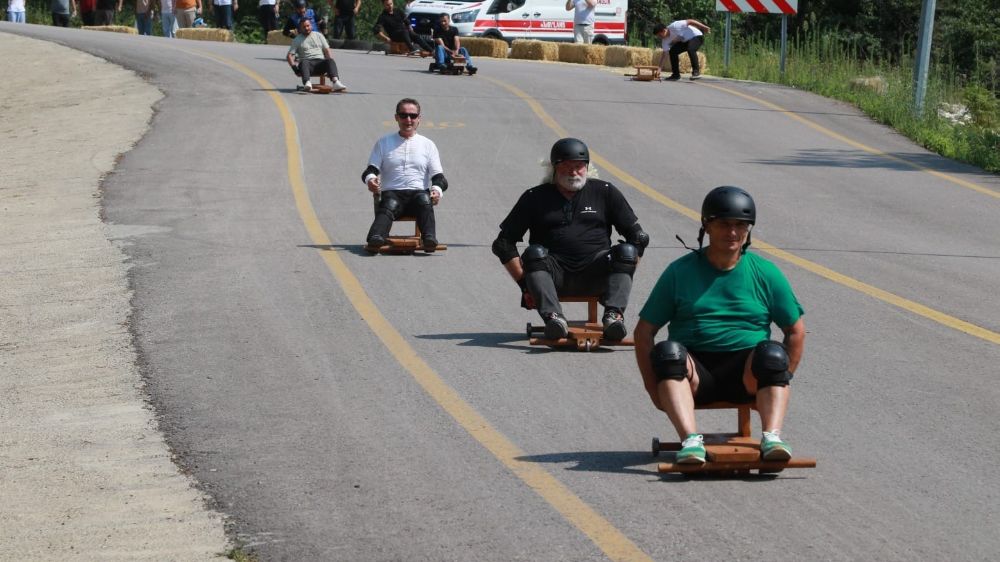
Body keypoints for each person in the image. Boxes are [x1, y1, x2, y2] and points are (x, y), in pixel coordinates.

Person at [634, 186, 805, 464]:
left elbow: (795, 331)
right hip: (696, 374)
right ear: (707, 226)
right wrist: (652, 388)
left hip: (748, 373)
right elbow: (644, 333)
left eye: (741, 225)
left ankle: (772, 437)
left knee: (773, 356)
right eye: (724, 224)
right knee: (668, 353)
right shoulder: (680, 272)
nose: (733, 232)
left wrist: (782, 379)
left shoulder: (766, 273)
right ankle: (690, 441)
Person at [491, 138, 649, 341]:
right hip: (553, 277)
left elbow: (639, 238)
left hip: (597, 275)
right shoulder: (534, 197)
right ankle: (554, 319)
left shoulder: (605, 192)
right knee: (534, 254)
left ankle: (614, 316)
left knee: (628, 250)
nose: (573, 172)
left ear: (587, 167)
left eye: (579, 167)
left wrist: (624, 277)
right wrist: (525, 285)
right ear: (554, 168)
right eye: (566, 167)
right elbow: (503, 244)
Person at [362, 98, 448, 252]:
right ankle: (376, 238)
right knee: (390, 204)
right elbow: (370, 171)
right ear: (396, 118)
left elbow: (440, 178)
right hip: (393, 194)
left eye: (413, 116)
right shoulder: (384, 142)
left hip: (418, 196)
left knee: (424, 199)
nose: (408, 120)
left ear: (419, 119)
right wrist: (371, 180)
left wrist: (437, 190)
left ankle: (429, 238)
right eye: (403, 115)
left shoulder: (428, 145)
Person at [286, 18, 347, 92]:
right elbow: (289, 56)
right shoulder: (297, 39)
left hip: (320, 63)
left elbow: (327, 50)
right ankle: (307, 83)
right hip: (307, 65)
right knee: (304, 62)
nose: (306, 28)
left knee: (330, 60)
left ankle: (336, 82)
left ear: (311, 25)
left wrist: (329, 68)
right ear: (300, 28)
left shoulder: (319, 35)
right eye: (304, 27)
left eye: (308, 26)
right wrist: (295, 70)